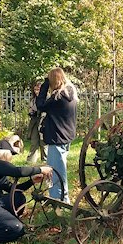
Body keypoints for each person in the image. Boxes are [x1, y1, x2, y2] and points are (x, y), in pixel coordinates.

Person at [36, 67, 77, 203]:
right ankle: (59, 197)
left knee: (56, 172)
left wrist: (44, 86)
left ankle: (60, 200)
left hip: (57, 137)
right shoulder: (70, 92)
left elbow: (40, 105)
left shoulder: (58, 98)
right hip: (66, 135)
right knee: (60, 168)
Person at [26, 81, 46, 164]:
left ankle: (45, 159)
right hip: (34, 121)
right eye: (35, 89)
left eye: (38, 89)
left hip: (43, 120)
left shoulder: (47, 98)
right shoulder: (33, 100)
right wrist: (31, 112)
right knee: (34, 141)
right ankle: (31, 160)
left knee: (43, 141)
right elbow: (30, 108)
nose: (36, 91)